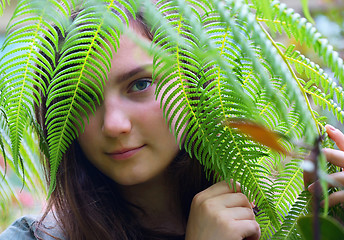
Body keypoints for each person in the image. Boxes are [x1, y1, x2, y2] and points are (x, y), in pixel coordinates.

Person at [0, 4, 343, 240]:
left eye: (140, 84)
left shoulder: (270, 223)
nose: (114, 125)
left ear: (194, 84)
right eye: (83, 99)